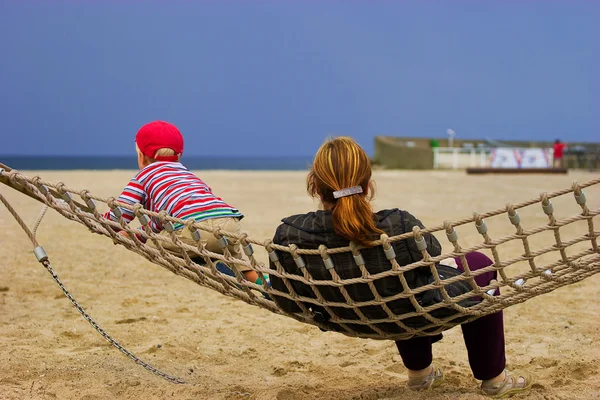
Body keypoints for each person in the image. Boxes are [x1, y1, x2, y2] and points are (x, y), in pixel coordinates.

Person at [269, 137, 531, 397]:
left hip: (347, 317)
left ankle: (421, 375)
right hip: (403, 313)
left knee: (404, 284)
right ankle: (494, 378)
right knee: (476, 265)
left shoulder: (290, 235)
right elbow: (432, 258)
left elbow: (288, 300)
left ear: (314, 185)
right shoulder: (399, 225)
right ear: (368, 185)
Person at [103, 120, 260, 283]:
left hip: (192, 231)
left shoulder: (143, 176)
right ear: (179, 156)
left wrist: (102, 221)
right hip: (228, 224)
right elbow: (163, 221)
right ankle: (264, 283)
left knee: (153, 244)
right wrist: (140, 232)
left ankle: (214, 266)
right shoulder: (188, 174)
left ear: (141, 157)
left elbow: (119, 215)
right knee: (239, 265)